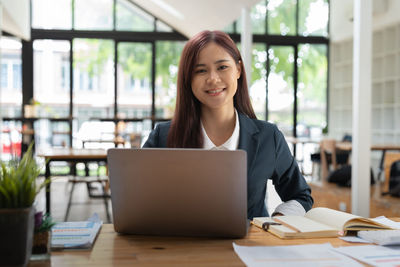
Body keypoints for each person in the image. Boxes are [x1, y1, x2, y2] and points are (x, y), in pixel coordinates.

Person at [143, 30, 313, 219]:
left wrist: (277, 222)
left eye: (222, 67)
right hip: (184, 246)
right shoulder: (163, 137)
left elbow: (301, 195)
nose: (213, 79)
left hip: (250, 245)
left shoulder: (268, 137)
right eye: (200, 70)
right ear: (188, 79)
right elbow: (138, 197)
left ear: (238, 70)